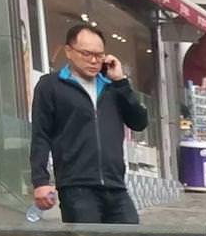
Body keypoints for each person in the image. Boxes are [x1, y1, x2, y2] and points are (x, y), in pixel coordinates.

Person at [29, 21, 150, 224]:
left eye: (99, 55)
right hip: (77, 187)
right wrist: (40, 181)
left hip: (116, 185)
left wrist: (121, 82)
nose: (94, 60)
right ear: (69, 51)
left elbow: (139, 122)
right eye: (87, 54)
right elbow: (41, 135)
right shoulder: (51, 86)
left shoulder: (113, 87)